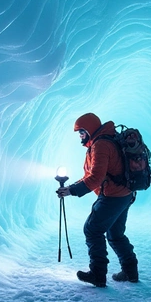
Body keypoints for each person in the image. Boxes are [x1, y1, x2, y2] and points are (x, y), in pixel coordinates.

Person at [56, 112, 139, 287]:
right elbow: (91, 175)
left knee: (92, 230)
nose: (80, 136)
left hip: (112, 196)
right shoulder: (107, 140)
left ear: (90, 129)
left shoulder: (100, 145)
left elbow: (96, 178)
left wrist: (72, 191)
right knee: (115, 234)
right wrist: (71, 187)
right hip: (124, 194)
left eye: (81, 132)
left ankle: (98, 274)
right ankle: (131, 271)